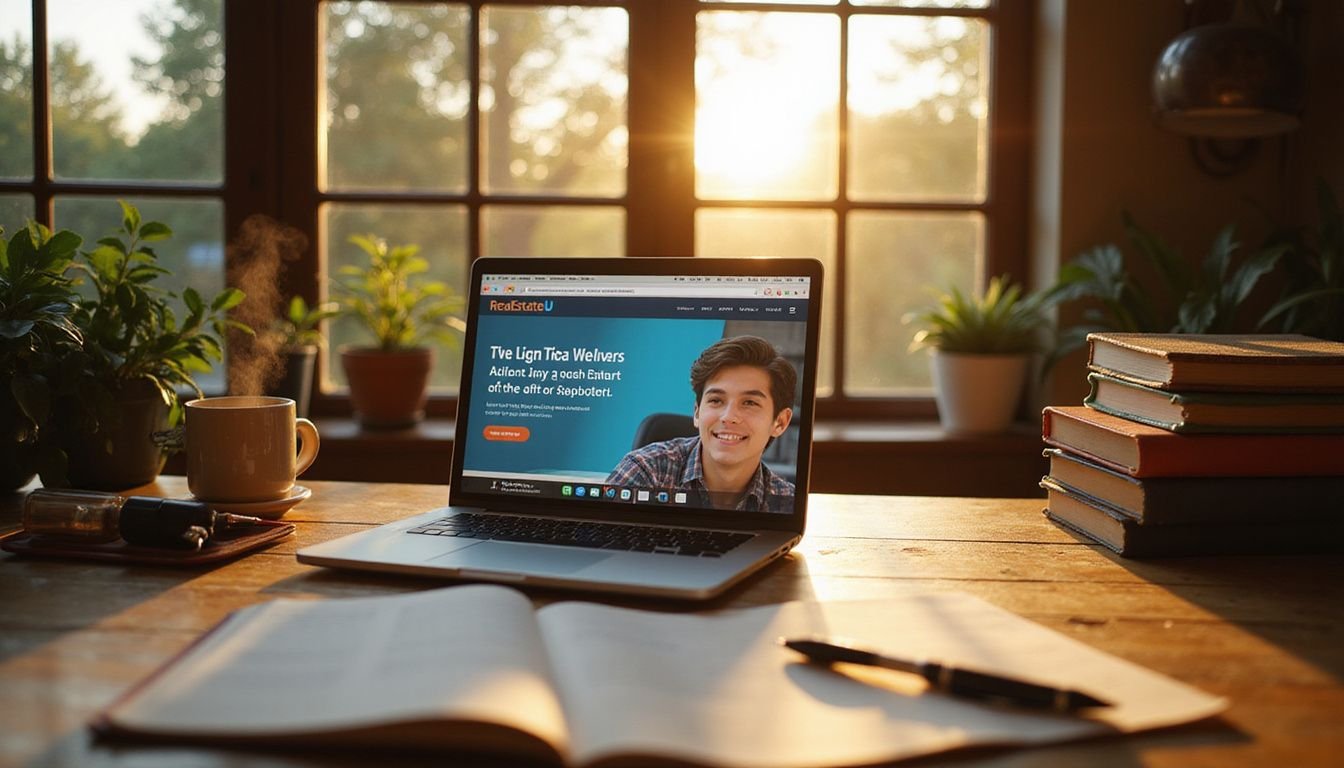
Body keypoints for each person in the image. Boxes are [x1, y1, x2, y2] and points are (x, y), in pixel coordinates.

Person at [607, 335, 796, 513]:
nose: (728, 417)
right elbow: (597, 538)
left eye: (750, 403)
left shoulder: (785, 501)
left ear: (780, 422)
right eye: (716, 400)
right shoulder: (647, 471)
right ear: (697, 412)